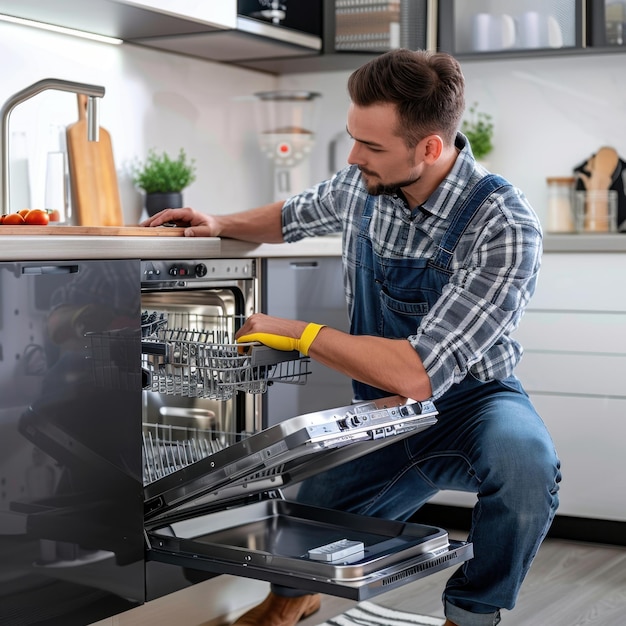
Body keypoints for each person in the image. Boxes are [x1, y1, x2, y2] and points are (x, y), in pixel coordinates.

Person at [142, 48, 561, 626]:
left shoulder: (502, 225)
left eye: (372, 146)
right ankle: (291, 599)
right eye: (353, 138)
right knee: (305, 524)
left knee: (527, 466)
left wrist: (299, 334)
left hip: (472, 405)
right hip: (382, 412)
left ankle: (470, 615)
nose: (354, 157)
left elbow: (419, 374)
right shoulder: (365, 185)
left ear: (430, 148)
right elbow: (293, 214)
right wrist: (221, 224)